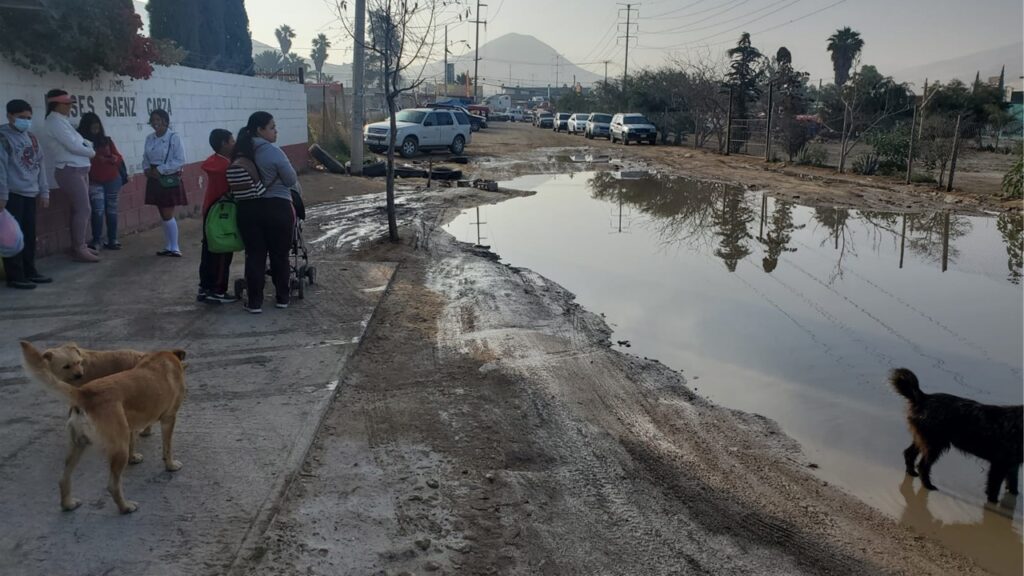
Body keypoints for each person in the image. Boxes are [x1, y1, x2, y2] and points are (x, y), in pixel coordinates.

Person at [234, 111, 298, 314]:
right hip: (277, 208)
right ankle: (282, 298)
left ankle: (254, 302)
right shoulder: (273, 152)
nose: (275, 131)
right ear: (260, 130)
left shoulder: (239, 151)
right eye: (272, 127)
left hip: (247, 209)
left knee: (254, 255)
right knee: (280, 254)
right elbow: (290, 180)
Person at [0, 99, 52, 289]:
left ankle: (30, 270)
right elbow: (1, 169)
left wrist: (44, 191)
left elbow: (40, 165)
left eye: (29, 118)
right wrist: (2, 195)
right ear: (9, 116)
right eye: (22, 118)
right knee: (12, 236)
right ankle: (15, 276)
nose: (26, 121)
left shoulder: (31, 138)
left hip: (30, 193)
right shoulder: (3, 138)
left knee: (29, 235)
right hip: (12, 194)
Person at [44, 89, 97, 262]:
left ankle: (81, 245)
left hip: (78, 169)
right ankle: (80, 248)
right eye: (67, 104)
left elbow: (81, 142)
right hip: (69, 169)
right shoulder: (54, 122)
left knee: (79, 209)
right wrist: (91, 152)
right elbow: (74, 146)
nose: (70, 107)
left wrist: (86, 147)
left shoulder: (62, 121)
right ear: (57, 104)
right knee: (84, 209)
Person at [198, 129, 238, 304]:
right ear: (223, 144)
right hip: (222, 212)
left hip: (210, 211)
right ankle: (218, 290)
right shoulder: (228, 167)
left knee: (208, 249)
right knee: (223, 249)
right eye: (232, 141)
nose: (234, 143)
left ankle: (205, 287)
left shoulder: (213, 162)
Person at [142, 108, 186, 257]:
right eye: (153, 120)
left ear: (165, 121)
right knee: (162, 212)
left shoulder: (174, 137)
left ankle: (175, 247)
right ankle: (168, 245)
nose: (155, 123)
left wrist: (161, 169)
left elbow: (180, 160)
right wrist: (147, 169)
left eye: (158, 120)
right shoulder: (149, 138)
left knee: (167, 212)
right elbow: (145, 156)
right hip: (153, 178)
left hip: (167, 177)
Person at [78, 113, 124, 250]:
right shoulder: (81, 142)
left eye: (97, 127)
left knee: (111, 210)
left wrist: (113, 159)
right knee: (97, 210)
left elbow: (119, 156)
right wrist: (98, 159)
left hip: (112, 179)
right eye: (93, 128)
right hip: (94, 181)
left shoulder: (106, 140)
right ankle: (97, 240)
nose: (96, 130)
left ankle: (113, 239)